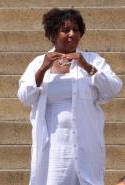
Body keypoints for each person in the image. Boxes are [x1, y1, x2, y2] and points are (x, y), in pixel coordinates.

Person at [17, 8, 122, 185]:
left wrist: (87, 67)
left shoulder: (92, 59)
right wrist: (43, 69)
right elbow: (25, 97)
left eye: (76, 30)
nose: (72, 34)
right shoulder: (38, 62)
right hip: (54, 146)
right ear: (53, 33)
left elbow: (113, 88)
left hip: (86, 142)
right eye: (66, 30)